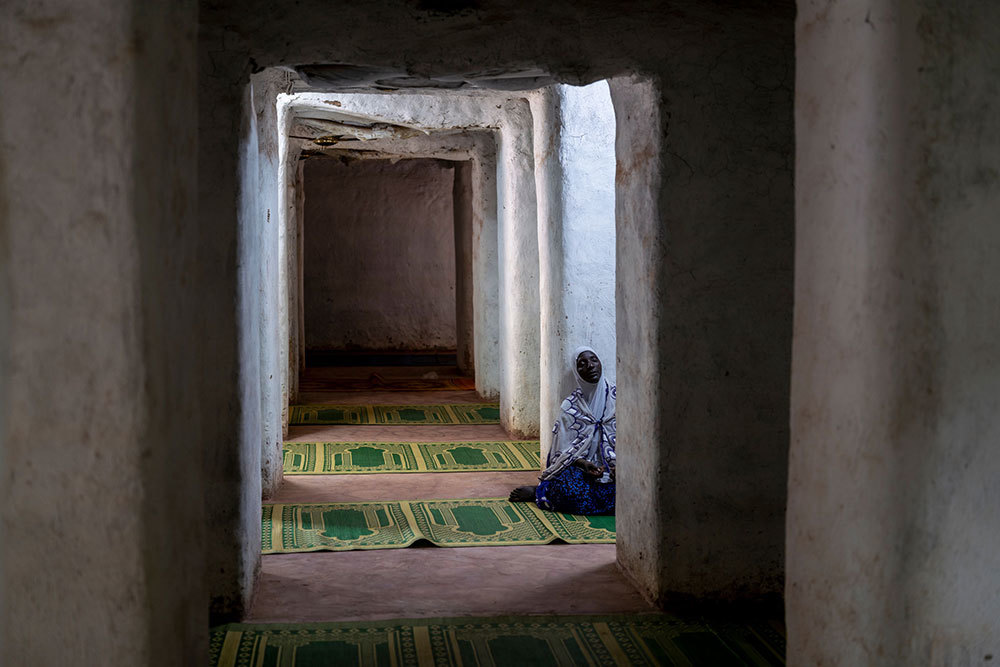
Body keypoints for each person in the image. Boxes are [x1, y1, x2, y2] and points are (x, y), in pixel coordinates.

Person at [509, 346, 615, 515]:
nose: (590, 366)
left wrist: (623, 466)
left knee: (638, 487)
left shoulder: (619, 399)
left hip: (617, 471)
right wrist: (583, 464)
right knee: (569, 490)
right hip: (584, 472)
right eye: (582, 363)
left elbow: (635, 443)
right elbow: (562, 452)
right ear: (576, 371)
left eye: (594, 360)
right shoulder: (571, 407)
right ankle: (540, 491)